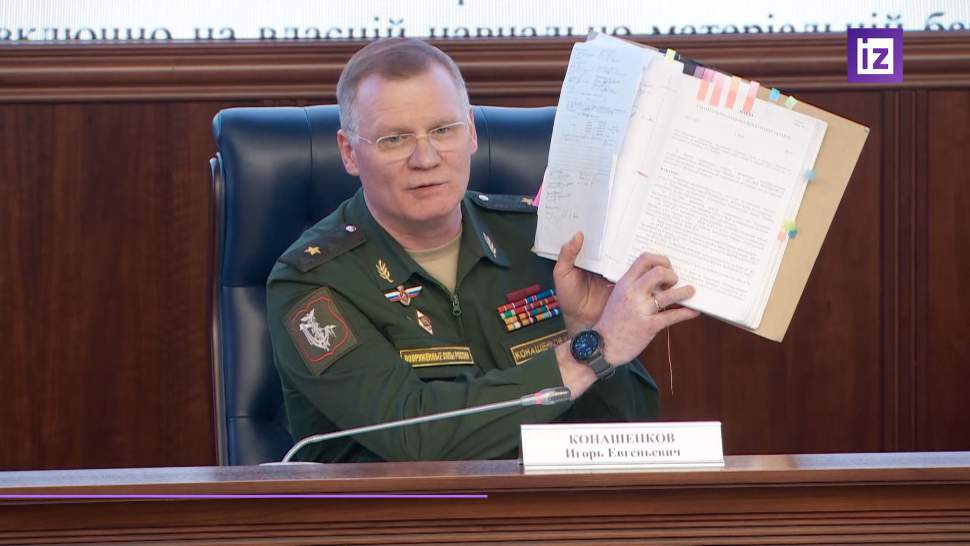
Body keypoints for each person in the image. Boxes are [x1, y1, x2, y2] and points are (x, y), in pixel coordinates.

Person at [266, 37, 699, 463]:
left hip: (556, 505)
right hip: (404, 510)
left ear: (471, 132)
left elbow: (630, 432)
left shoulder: (543, 241)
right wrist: (587, 352)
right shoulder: (312, 282)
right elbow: (416, 439)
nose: (425, 158)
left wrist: (585, 326)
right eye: (395, 139)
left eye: (443, 130)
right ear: (349, 153)